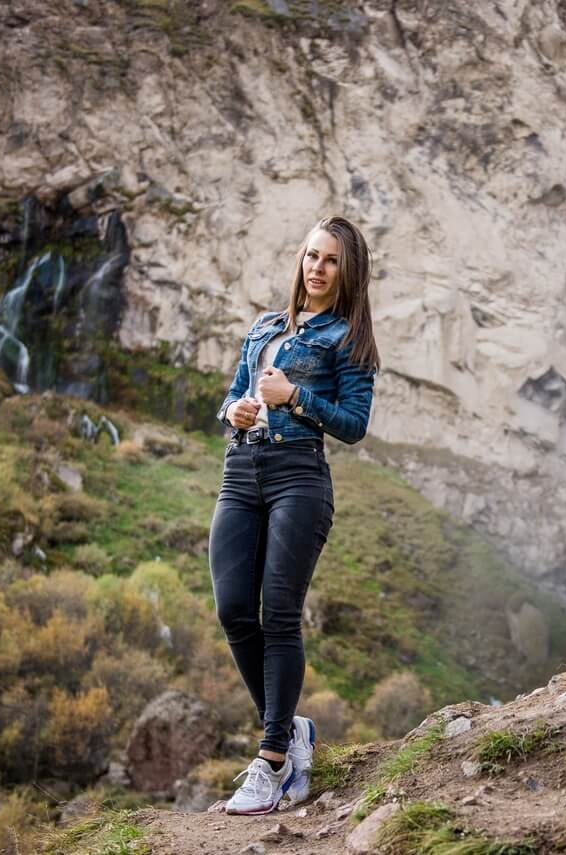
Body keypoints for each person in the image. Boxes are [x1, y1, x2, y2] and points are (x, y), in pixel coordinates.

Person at [209, 216, 379, 815]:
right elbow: (230, 395)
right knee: (233, 609)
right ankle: (292, 730)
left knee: (279, 614)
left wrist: (296, 398)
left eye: (330, 259)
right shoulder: (264, 326)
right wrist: (236, 412)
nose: (316, 267)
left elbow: (355, 424)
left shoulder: (348, 340)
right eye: (311, 255)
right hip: (241, 471)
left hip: (299, 478)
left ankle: (273, 759)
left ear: (346, 271)